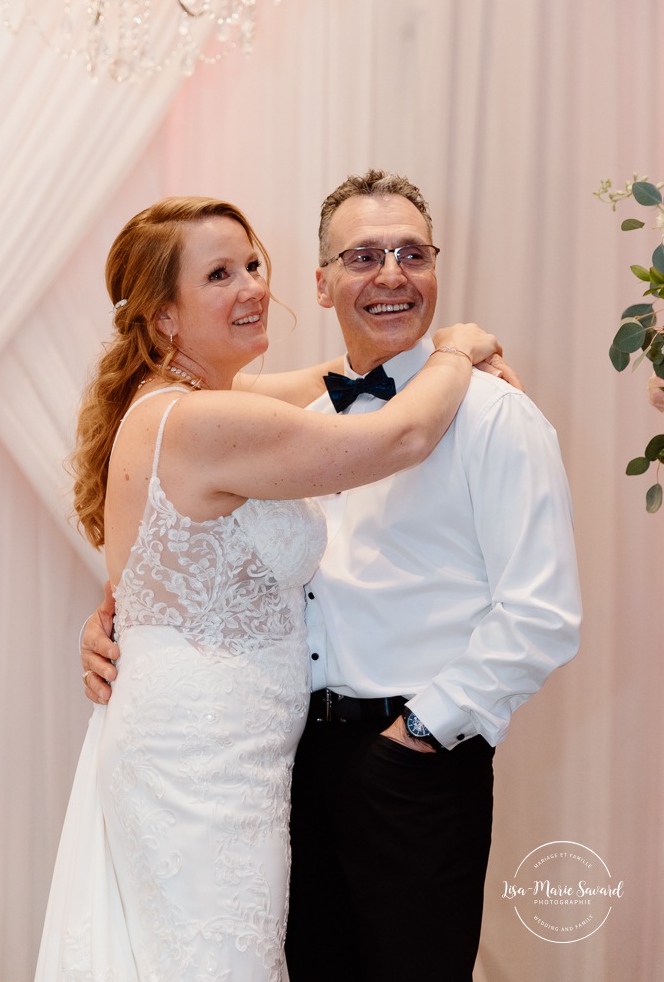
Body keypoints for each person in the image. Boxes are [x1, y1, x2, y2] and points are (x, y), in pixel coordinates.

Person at [80, 171, 579, 982]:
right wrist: (119, 621)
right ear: (322, 283)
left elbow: (541, 613)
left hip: (404, 763)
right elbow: (393, 439)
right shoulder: (283, 424)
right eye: (362, 256)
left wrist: (421, 733)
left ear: (435, 270)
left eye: (410, 252)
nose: (389, 273)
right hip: (277, 764)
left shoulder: (495, 415)